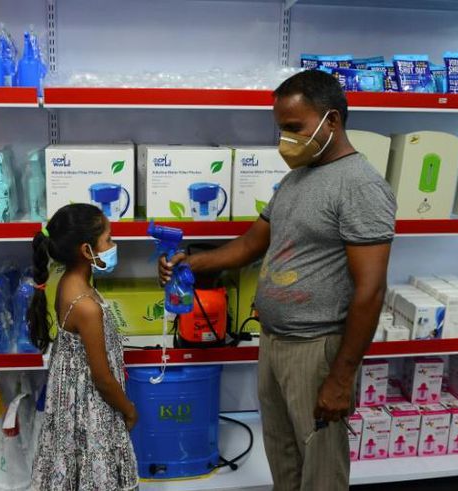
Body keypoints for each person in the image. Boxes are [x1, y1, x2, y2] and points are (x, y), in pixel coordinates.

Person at [159, 70, 396, 491]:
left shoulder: (360, 186)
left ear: (333, 121)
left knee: (320, 471)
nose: (284, 139)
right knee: (284, 461)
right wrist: (192, 263)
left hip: (317, 350)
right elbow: (252, 244)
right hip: (274, 344)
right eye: (281, 128)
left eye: (293, 127)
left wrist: (340, 379)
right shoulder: (296, 179)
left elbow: (371, 290)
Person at [30, 204, 139, 491]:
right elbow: (102, 380)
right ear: (86, 251)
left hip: (70, 404)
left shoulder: (67, 283)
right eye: (108, 240)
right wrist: (129, 410)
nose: (113, 245)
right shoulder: (87, 308)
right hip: (91, 409)